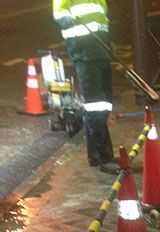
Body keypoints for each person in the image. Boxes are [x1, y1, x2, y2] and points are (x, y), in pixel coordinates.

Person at [52, 0, 119, 173]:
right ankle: (101, 157)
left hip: (101, 52)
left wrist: (109, 42)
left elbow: (102, 22)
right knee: (95, 106)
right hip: (84, 54)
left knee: (104, 104)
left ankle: (102, 155)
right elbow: (61, 17)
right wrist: (73, 21)